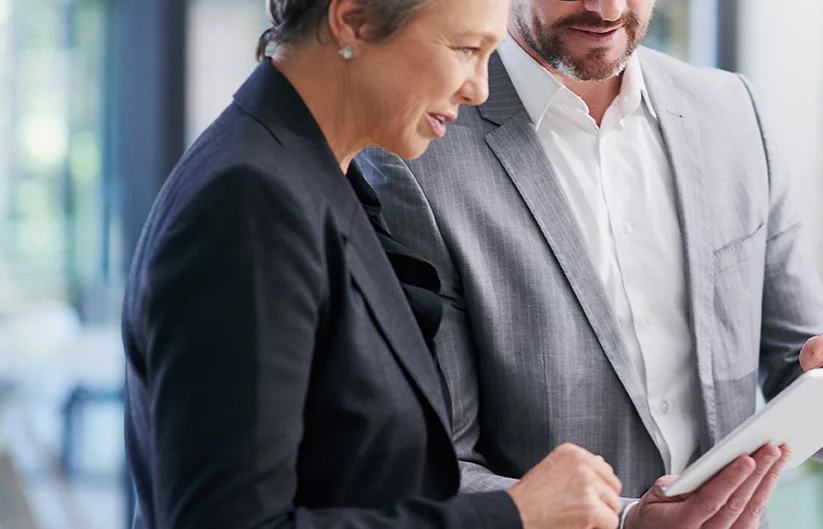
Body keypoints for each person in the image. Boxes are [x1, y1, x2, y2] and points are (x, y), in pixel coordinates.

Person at [357, 0, 823, 527]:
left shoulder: (733, 112)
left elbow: (798, 359)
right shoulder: (419, 151)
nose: (607, 9)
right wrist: (624, 522)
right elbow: (438, 465)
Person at [121, 0, 626, 527]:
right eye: (465, 49)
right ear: (354, 20)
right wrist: (514, 515)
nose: (479, 89)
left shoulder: (321, 177)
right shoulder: (250, 201)